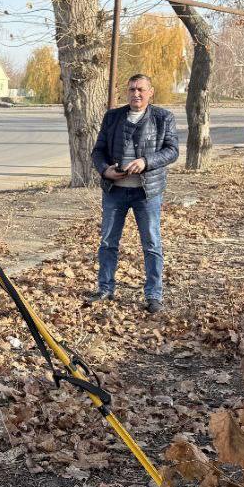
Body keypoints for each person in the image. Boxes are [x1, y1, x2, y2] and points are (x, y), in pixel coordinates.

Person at [87, 73, 179, 314]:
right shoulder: (113, 117)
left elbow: (172, 151)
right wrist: (105, 170)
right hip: (114, 192)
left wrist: (146, 162)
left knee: (151, 243)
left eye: (140, 89)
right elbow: (97, 151)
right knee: (108, 242)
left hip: (146, 193)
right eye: (131, 89)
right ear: (126, 92)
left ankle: (153, 295)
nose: (135, 94)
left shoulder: (163, 118)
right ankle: (105, 288)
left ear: (150, 92)